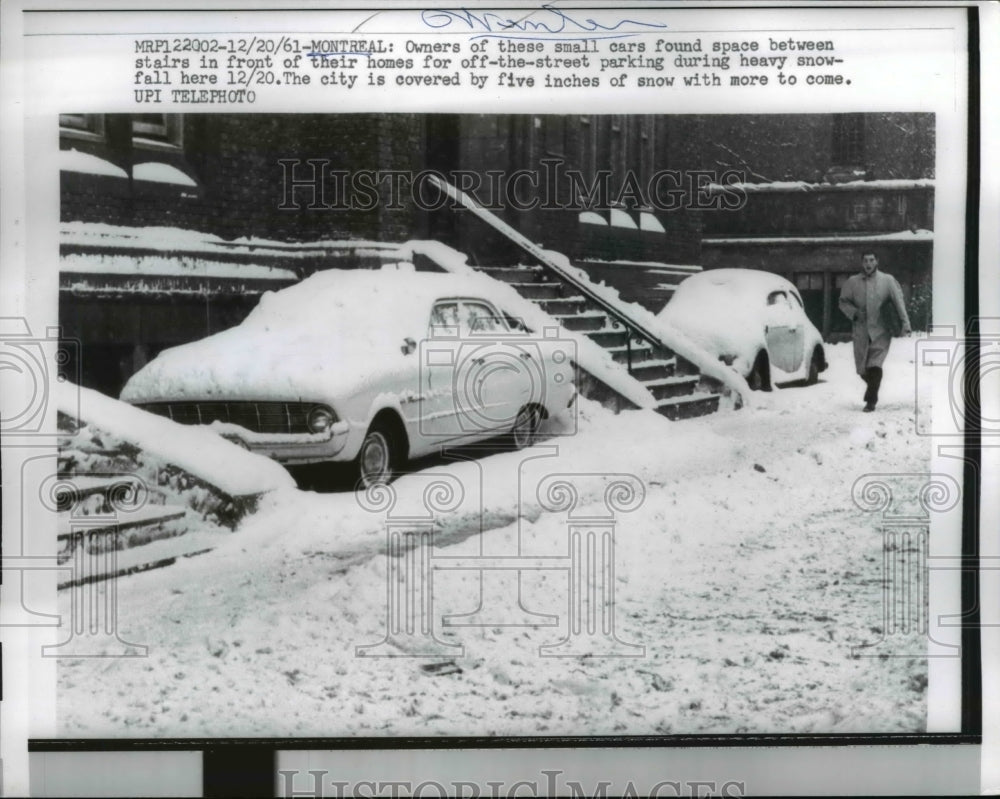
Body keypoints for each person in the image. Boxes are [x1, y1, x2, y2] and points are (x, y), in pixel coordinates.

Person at [838, 251, 912, 412]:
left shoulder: (887, 280)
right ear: (861, 263)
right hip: (861, 331)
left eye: (871, 260)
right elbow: (842, 302)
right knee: (862, 369)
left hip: (881, 331)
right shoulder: (852, 282)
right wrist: (854, 313)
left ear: (877, 261)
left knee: (875, 365)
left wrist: (905, 323)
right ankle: (872, 389)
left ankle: (871, 400)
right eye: (865, 260)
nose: (868, 263)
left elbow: (899, 302)